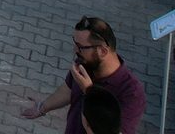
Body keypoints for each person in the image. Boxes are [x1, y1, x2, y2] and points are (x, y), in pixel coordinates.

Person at [19, 16, 147, 131]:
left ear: (102, 51)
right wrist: (42, 107)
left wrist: (89, 91)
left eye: (80, 47)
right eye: (75, 44)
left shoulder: (132, 93)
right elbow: (68, 90)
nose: (75, 50)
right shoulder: (84, 64)